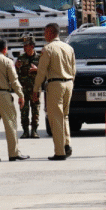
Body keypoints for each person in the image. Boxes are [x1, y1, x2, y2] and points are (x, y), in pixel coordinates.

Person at [33, 23, 76, 161]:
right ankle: (67, 144)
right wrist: (71, 82)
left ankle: (60, 151)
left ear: (51, 33)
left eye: (45, 32)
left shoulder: (48, 49)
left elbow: (41, 72)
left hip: (55, 84)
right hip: (69, 83)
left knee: (56, 118)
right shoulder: (69, 48)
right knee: (65, 116)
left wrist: (36, 89)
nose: (44, 35)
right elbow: (74, 69)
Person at [15, 36, 42, 139]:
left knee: (36, 110)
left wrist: (37, 70)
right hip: (24, 89)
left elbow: (45, 72)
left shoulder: (39, 58)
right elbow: (15, 74)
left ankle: (34, 130)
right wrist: (16, 67)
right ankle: (25, 131)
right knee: (24, 110)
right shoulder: (21, 58)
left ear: (32, 46)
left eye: (26, 46)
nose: (24, 48)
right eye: (24, 46)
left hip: (35, 89)